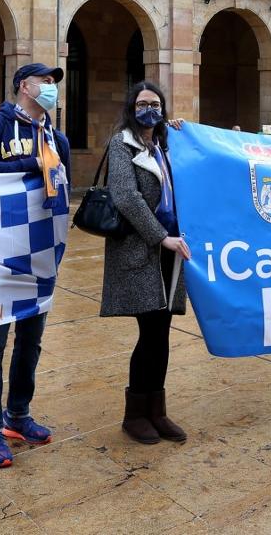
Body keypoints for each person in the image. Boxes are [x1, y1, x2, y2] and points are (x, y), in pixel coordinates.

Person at [0, 63, 71, 468]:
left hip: (39, 255)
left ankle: (18, 414)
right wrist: (30, 165)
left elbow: (62, 193)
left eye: (53, 84)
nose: (51, 89)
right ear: (23, 86)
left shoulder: (57, 138)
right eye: (44, 82)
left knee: (31, 340)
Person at [100, 81, 191, 444]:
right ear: (131, 107)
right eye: (142, 103)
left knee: (162, 332)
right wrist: (160, 237)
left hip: (170, 253)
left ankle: (157, 411)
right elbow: (126, 196)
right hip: (143, 250)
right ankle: (135, 414)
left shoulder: (166, 144)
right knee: (150, 332)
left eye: (155, 103)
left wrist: (186, 131)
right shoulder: (123, 143)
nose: (149, 109)